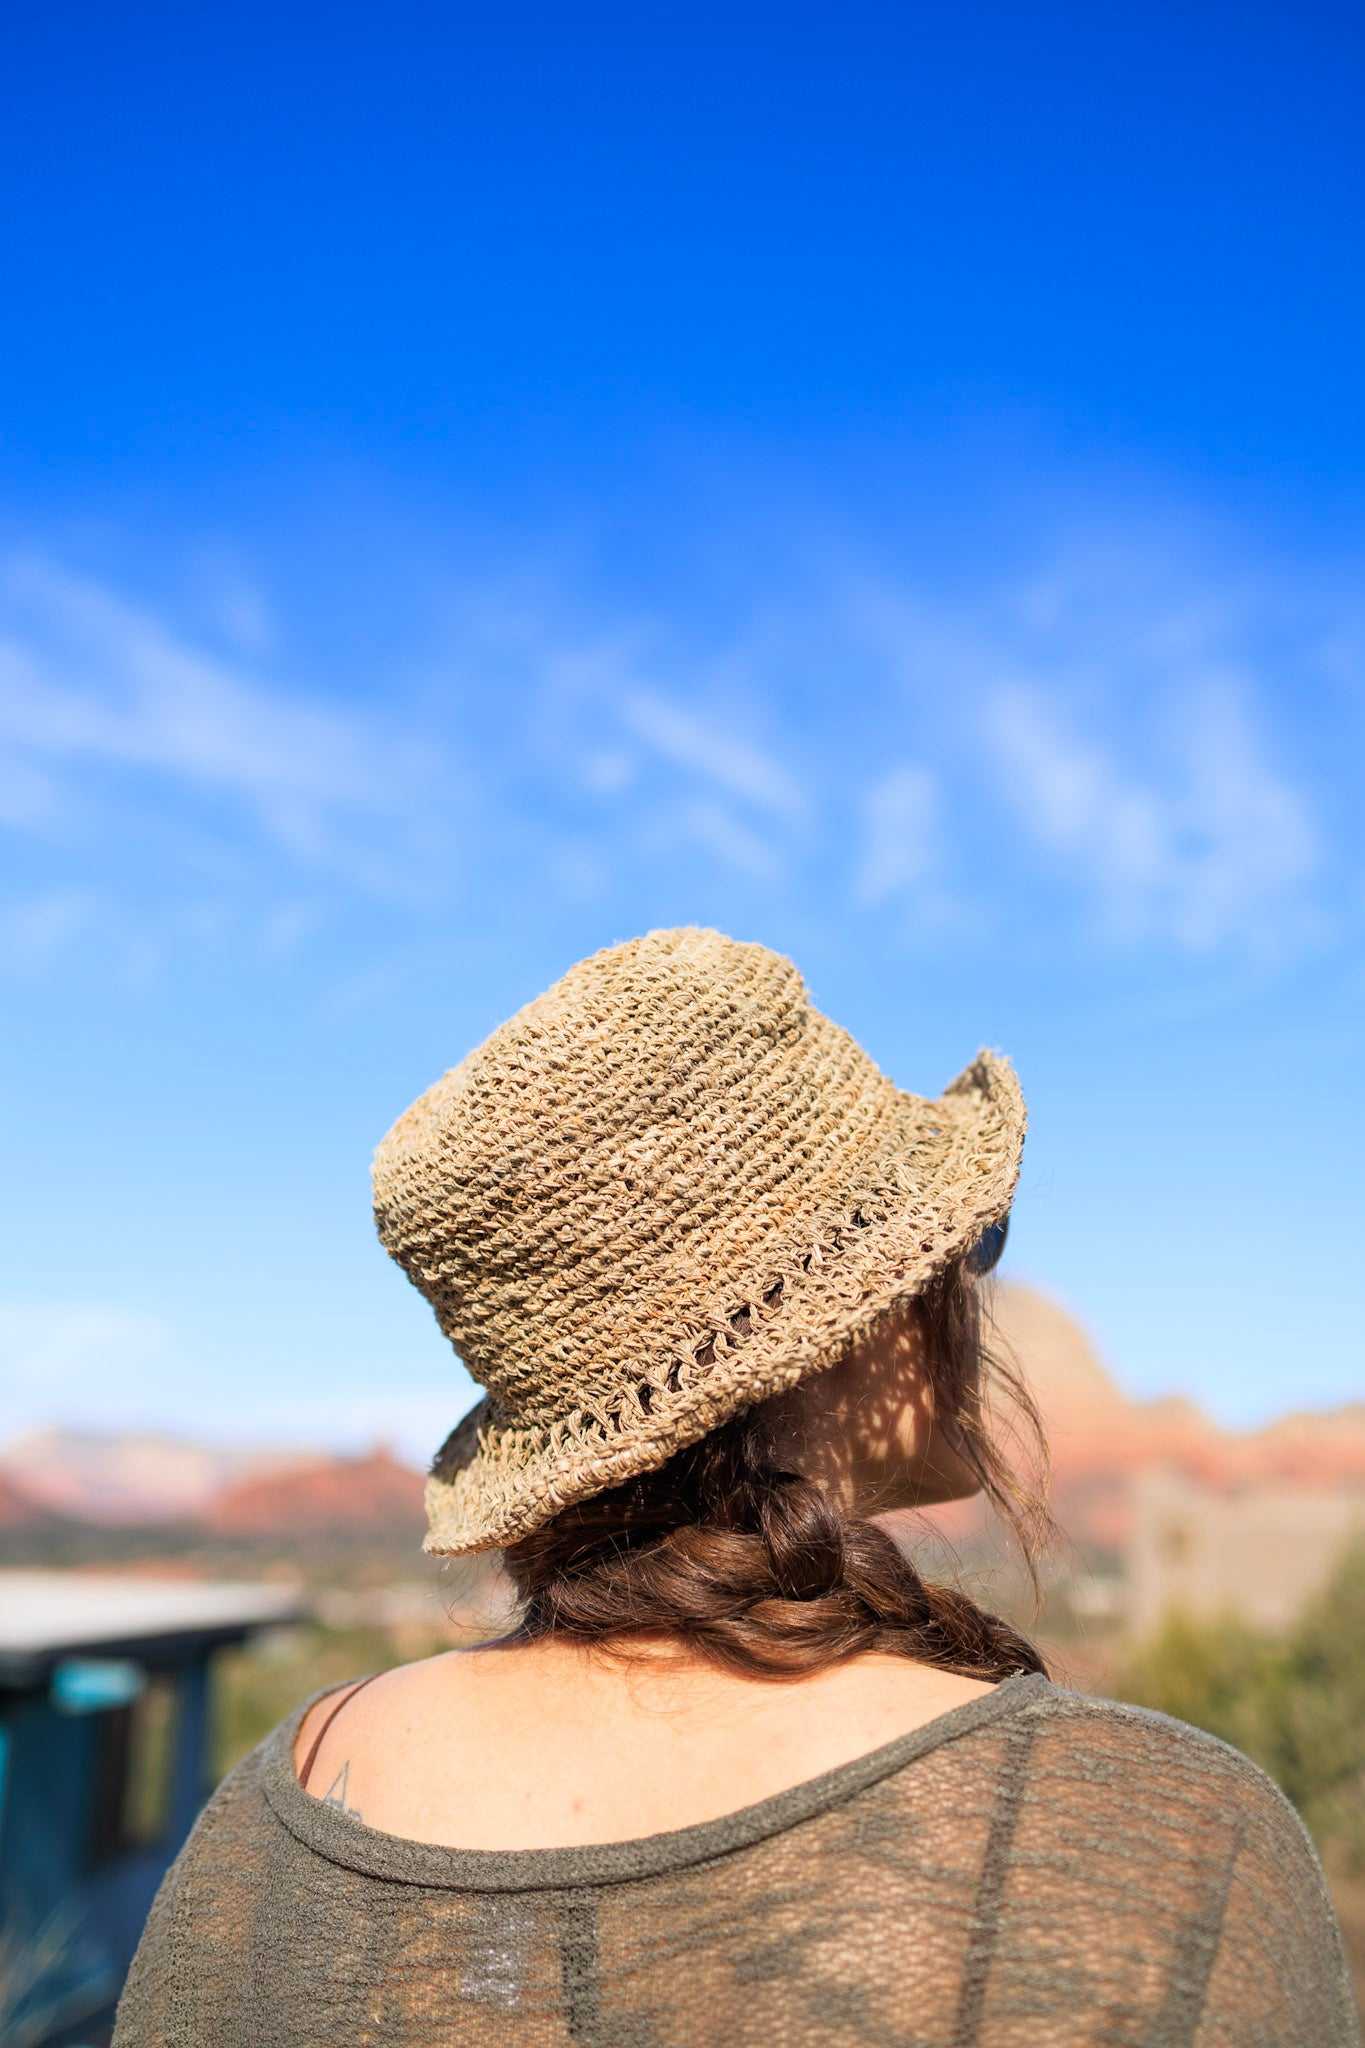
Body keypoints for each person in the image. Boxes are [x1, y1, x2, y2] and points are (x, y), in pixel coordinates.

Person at [113, 927, 1360, 2046]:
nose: (973, 1291)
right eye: (968, 1242)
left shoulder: (268, 1822)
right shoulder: (1159, 1845)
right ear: (854, 1319)